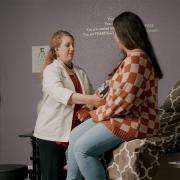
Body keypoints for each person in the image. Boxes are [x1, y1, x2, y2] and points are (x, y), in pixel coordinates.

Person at [66, 11, 163, 180]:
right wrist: (90, 106)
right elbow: (107, 89)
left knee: (82, 149)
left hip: (134, 121)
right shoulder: (128, 60)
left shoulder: (137, 60)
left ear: (124, 34)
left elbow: (124, 103)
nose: (114, 36)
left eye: (115, 32)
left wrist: (94, 114)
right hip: (121, 117)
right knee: (74, 135)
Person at [33, 30, 102, 180]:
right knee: (53, 176)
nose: (72, 48)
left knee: (75, 175)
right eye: (67, 45)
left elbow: (92, 96)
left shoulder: (80, 72)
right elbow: (60, 93)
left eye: (73, 45)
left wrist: (87, 108)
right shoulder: (51, 70)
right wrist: (90, 100)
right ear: (56, 49)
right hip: (52, 134)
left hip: (74, 134)